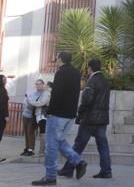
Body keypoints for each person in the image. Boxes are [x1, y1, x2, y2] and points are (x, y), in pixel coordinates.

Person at [32, 52, 87, 186]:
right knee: (59, 141)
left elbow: (57, 94)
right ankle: (78, 162)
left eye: (56, 58)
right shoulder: (76, 72)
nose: (55, 60)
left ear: (61, 59)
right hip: (70, 114)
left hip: (58, 114)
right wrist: (52, 85)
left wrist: (49, 111)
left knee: (51, 145)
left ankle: (50, 176)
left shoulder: (61, 72)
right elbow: (68, 91)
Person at [58, 58, 112, 179]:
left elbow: (87, 100)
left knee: (78, 144)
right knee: (103, 145)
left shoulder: (92, 81)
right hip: (102, 119)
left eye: (88, 68)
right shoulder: (105, 80)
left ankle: (68, 169)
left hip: (90, 119)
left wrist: (80, 113)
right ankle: (106, 170)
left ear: (90, 68)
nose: (87, 70)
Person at [21, 79, 51, 157]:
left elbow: (37, 104)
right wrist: (29, 101)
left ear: (43, 84)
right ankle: (27, 148)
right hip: (26, 114)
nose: (38, 85)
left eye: (40, 84)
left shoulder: (45, 94)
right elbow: (25, 102)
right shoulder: (33, 93)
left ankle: (32, 149)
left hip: (36, 115)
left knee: (32, 132)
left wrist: (29, 101)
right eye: (37, 84)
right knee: (27, 133)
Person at [0, 74, 9, 163]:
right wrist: (6, 115)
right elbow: (3, 105)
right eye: (4, 79)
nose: (6, 81)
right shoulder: (2, 90)